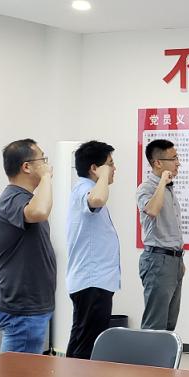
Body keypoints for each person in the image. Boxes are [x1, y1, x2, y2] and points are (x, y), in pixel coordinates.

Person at [0, 139, 56, 354]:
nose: (47, 165)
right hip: (23, 309)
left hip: (32, 306)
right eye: (42, 159)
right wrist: (46, 177)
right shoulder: (12, 198)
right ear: (26, 166)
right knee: (18, 374)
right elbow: (39, 212)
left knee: (25, 372)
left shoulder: (25, 198)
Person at [65, 140, 120, 359]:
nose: (114, 168)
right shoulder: (85, 189)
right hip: (92, 282)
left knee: (83, 342)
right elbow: (97, 199)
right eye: (110, 164)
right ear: (94, 168)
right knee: (86, 347)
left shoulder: (86, 188)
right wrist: (104, 175)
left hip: (96, 281)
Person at [136, 139, 185, 331]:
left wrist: (179, 261)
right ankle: (148, 353)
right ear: (157, 163)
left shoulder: (169, 188)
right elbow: (152, 210)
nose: (178, 163)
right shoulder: (146, 188)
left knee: (169, 324)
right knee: (155, 325)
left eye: (177, 157)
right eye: (173, 158)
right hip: (157, 260)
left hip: (174, 261)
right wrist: (162, 182)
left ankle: (165, 354)